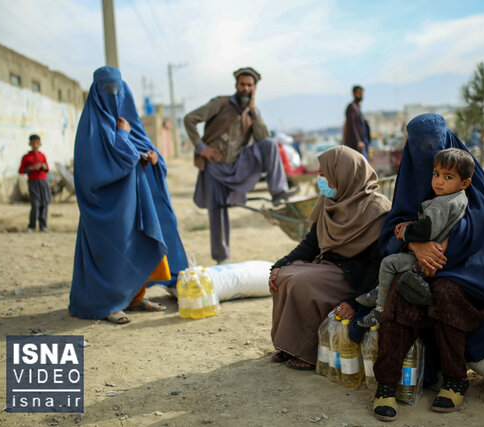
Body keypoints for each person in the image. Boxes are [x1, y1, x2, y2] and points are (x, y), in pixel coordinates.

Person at [371, 114, 484, 420]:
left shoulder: (464, 168)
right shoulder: (410, 176)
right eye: (421, 146)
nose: (437, 176)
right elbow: (395, 224)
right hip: (417, 260)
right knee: (399, 294)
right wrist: (416, 246)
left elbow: (480, 221)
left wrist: (440, 248)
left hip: (467, 263)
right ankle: (386, 384)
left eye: (435, 143)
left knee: (447, 293)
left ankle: (455, 379)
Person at [69, 66, 188, 324]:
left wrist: (154, 159)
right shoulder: (92, 127)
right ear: (96, 92)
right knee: (114, 249)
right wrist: (122, 136)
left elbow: (143, 150)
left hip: (137, 199)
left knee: (137, 244)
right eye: (106, 89)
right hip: (109, 204)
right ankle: (108, 305)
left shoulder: (129, 121)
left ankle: (134, 298)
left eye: (117, 89)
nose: (113, 95)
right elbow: (102, 167)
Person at [269, 146, 391, 370]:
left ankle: (307, 352)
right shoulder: (330, 201)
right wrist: (279, 265)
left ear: (343, 174)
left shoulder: (377, 209)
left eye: (324, 174)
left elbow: (377, 265)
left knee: (300, 283)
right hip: (327, 266)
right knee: (282, 277)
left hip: (354, 278)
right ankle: (288, 345)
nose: (320, 178)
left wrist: (357, 301)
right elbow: (310, 244)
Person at [184, 67, 295, 263]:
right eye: (242, 84)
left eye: (249, 85)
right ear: (236, 85)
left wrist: (253, 110)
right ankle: (221, 258)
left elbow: (263, 139)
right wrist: (202, 148)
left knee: (269, 144)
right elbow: (189, 119)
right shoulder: (220, 103)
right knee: (217, 212)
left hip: (239, 166)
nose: (245, 88)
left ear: (254, 88)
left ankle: (278, 192)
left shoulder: (253, 112)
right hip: (215, 168)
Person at [356, 148, 474, 327]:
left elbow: (428, 231)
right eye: (436, 174)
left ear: (464, 183)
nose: (439, 181)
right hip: (443, 258)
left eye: (448, 177)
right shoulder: (460, 197)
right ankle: (381, 290)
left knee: (389, 263)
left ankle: (379, 309)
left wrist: (405, 233)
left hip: (426, 261)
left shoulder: (441, 203)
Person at [19, 134, 52, 233]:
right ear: (30, 144)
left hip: (43, 181)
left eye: (37, 143)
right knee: (35, 204)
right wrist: (32, 168)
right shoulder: (26, 157)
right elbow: (21, 171)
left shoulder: (42, 156)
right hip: (33, 182)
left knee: (45, 203)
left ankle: (43, 226)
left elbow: (47, 168)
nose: (35, 145)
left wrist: (43, 167)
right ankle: (32, 226)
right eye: (33, 143)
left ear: (40, 144)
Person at [343, 85, 370, 159]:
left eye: (361, 93)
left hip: (363, 141)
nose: (361, 95)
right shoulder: (352, 107)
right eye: (359, 93)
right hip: (356, 144)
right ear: (354, 94)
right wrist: (358, 141)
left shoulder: (357, 107)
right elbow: (353, 125)